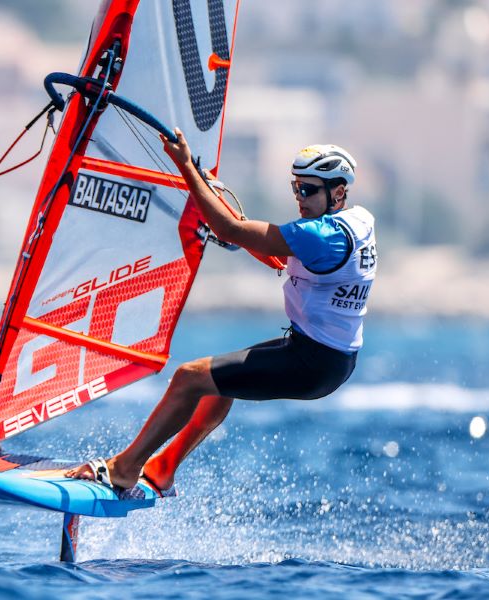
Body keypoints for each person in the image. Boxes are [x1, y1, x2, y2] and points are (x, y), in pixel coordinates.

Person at [66, 129, 377, 493]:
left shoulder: (319, 236)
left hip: (313, 361)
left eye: (309, 190)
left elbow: (231, 230)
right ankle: (164, 467)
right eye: (296, 188)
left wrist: (185, 168)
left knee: (188, 377)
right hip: (328, 357)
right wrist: (209, 196)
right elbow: (274, 254)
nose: (300, 198)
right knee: (217, 383)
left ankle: (125, 467)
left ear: (338, 191)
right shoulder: (358, 223)